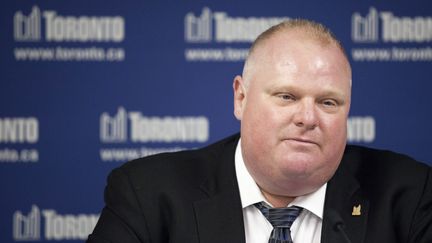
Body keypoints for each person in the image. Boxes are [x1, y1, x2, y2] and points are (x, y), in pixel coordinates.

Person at [87, 19, 432, 243]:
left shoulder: (409, 196)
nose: (307, 117)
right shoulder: (149, 194)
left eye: (328, 102)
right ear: (240, 97)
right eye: (287, 96)